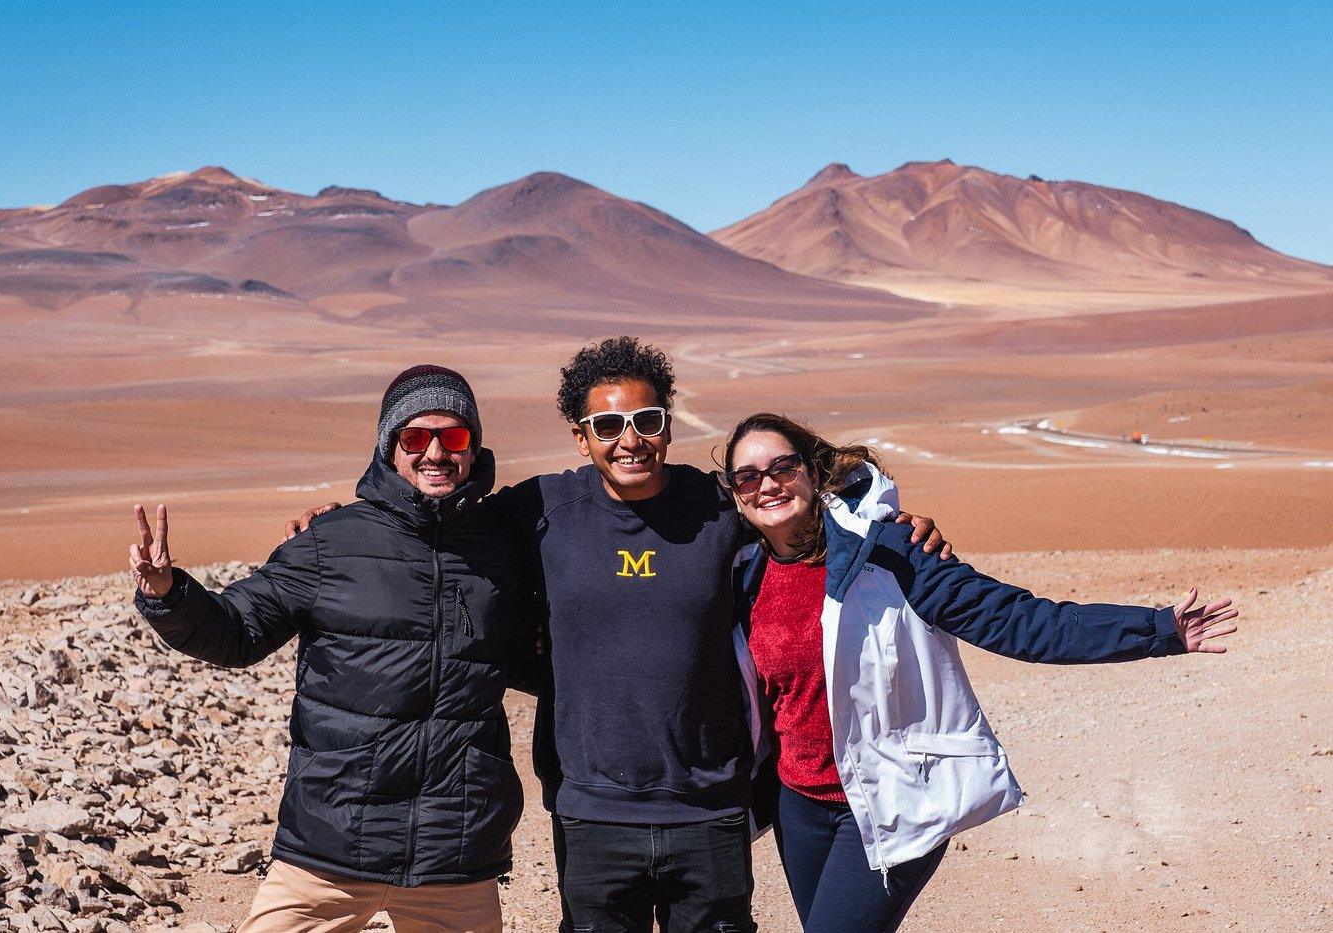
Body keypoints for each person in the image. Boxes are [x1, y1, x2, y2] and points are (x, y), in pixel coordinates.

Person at [290, 338, 950, 931]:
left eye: (646, 421)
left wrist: (896, 525)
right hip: (592, 812)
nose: (629, 439)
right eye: (607, 425)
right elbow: (435, 519)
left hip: (710, 807)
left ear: (666, 425)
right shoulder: (541, 508)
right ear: (582, 437)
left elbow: (805, 507)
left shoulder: (719, 506)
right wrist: (347, 524)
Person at [720, 412, 1240, 933]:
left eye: (782, 467)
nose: (767, 485)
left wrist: (1156, 631)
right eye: (748, 476)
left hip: (893, 799)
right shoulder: (743, 573)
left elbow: (1016, 620)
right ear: (736, 493)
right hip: (800, 807)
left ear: (812, 471)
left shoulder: (892, 554)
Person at [129, 365, 538, 933]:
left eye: (456, 436)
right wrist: (170, 595)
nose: (436, 452)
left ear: (475, 446)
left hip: (455, 853)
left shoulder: (505, 549)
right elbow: (237, 631)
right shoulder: (329, 543)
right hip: (332, 845)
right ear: (389, 446)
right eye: (416, 437)